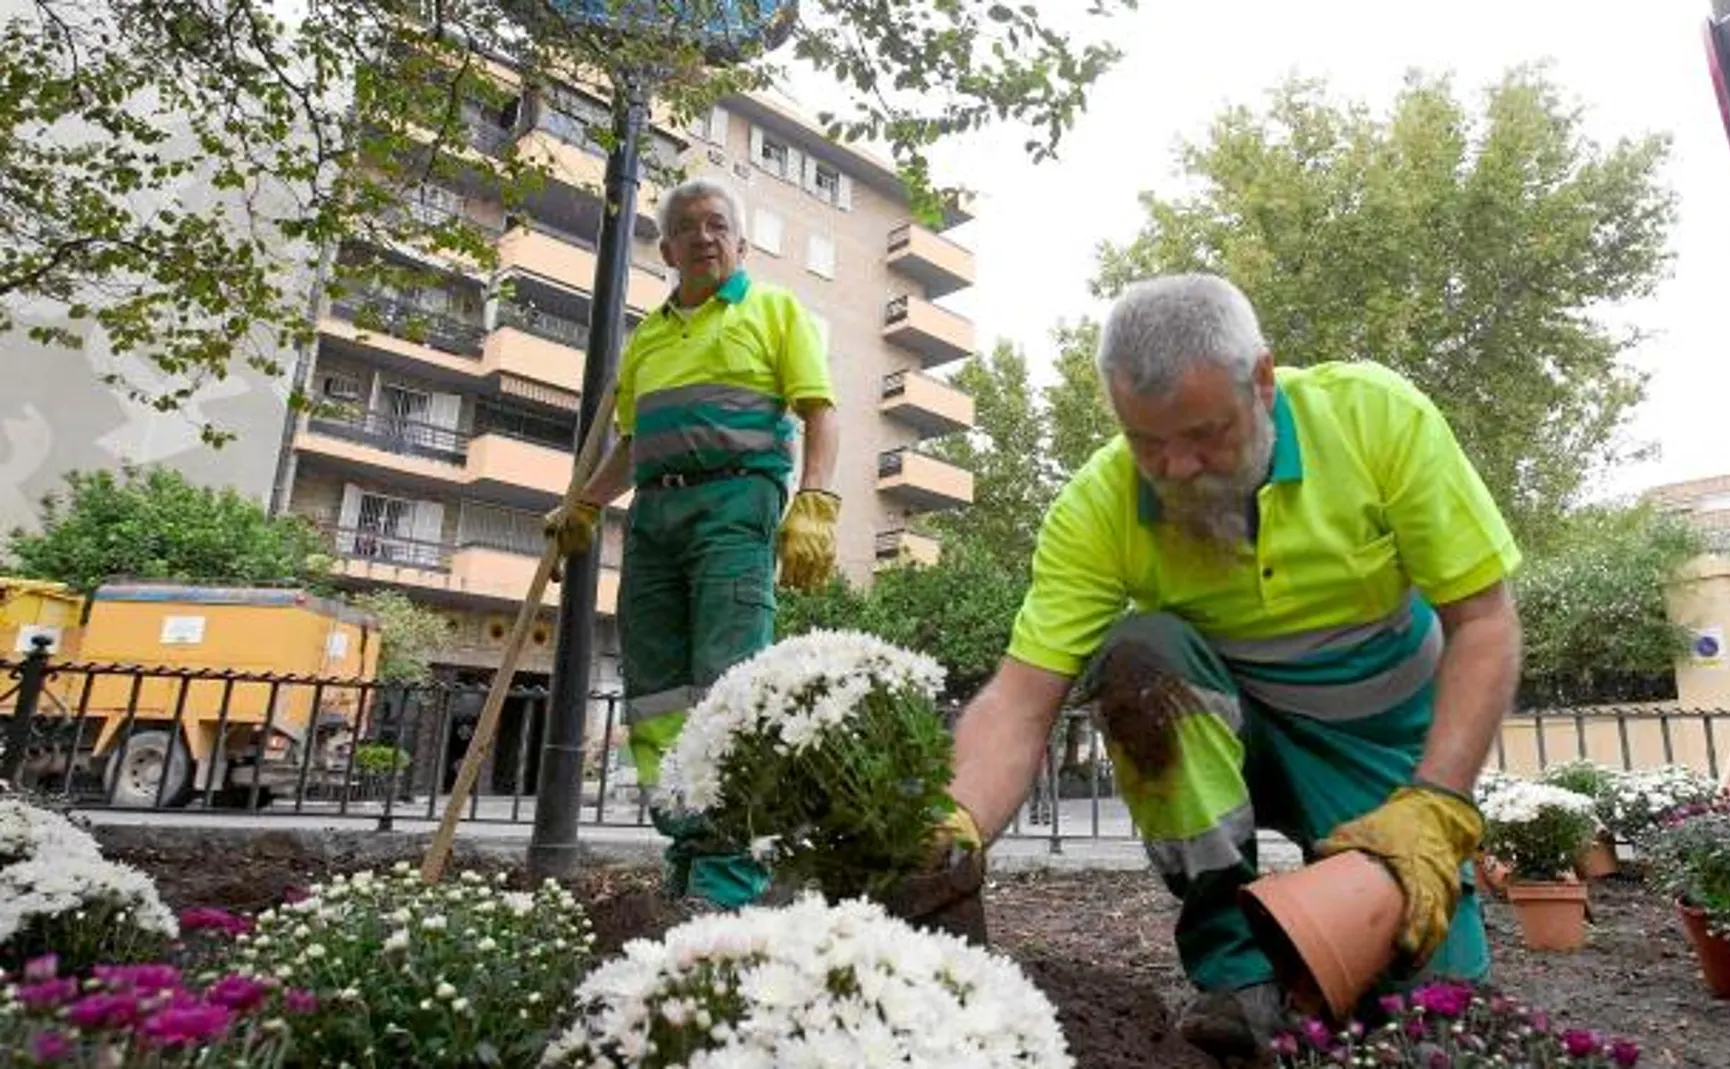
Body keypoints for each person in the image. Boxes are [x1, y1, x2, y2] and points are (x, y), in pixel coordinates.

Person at [926, 273, 1523, 1060]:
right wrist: (952, 820)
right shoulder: (1097, 506)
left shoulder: (1376, 419)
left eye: (1204, 433)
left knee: (1433, 1011)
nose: (1175, 467)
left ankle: (1381, 891)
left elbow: (1482, 620)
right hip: (1228, 732)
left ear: (1263, 381)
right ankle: (1238, 968)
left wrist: (1437, 804)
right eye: (1147, 441)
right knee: (1141, 657)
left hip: (1379, 746)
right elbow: (1021, 699)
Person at [543, 175, 841, 909]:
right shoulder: (647, 339)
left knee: (728, 683)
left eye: (717, 225)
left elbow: (818, 412)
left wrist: (817, 499)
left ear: (739, 242)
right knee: (656, 692)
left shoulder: (774, 311)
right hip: (654, 515)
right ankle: (689, 844)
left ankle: (731, 872)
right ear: (668, 248)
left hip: (737, 502)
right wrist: (582, 503)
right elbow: (631, 443)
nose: (704, 237)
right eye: (688, 228)